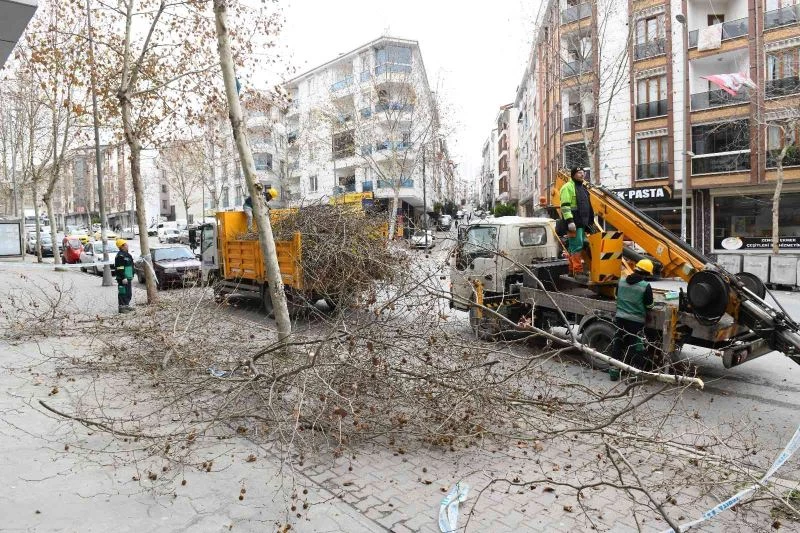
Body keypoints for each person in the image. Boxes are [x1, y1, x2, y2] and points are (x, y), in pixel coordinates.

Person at [611, 259, 655, 370]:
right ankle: (633, 373)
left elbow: (617, 296)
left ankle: (614, 371)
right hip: (636, 322)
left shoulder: (621, 281)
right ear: (645, 273)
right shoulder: (645, 286)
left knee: (618, 343)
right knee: (635, 347)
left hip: (620, 318)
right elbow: (649, 305)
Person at [559, 167, 594, 276]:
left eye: (583, 173)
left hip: (581, 222)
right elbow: (565, 206)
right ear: (573, 174)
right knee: (576, 246)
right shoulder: (567, 187)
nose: (582, 175)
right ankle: (577, 270)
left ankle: (571, 270)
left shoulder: (582, 188)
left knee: (574, 246)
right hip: (574, 223)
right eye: (579, 173)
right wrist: (570, 221)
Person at [114, 238, 135, 313]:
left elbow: (131, 265)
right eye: (126, 245)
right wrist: (123, 277)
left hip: (128, 277)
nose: (127, 246)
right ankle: (122, 308)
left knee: (128, 292)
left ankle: (126, 305)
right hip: (123, 278)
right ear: (122, 246)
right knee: (123, 292)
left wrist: (132, 274)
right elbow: (119, 268)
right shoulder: (120, 256)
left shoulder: (127, 254)